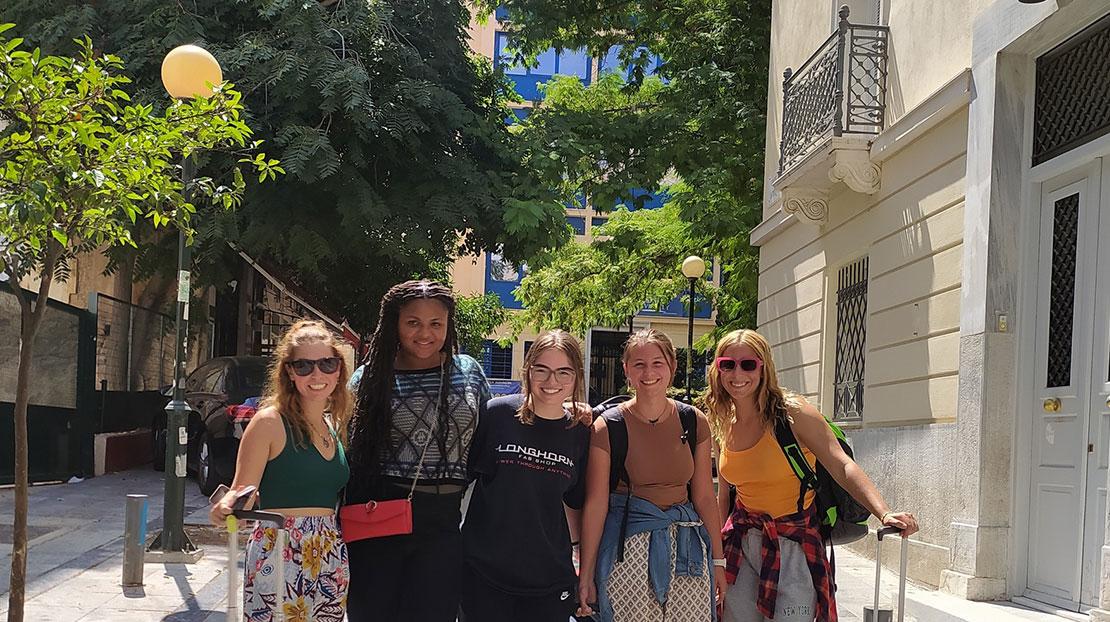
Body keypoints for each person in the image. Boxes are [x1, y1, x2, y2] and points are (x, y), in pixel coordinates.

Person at [705, 329, 920, 622]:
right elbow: (725, 495)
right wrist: (717, 556)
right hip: (741, 546)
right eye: (727, 364)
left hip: (794, 546)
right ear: (718, 369)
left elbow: (841, 464)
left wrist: (883, 513)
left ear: (763, 366)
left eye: (748, 364)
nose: (737, 373)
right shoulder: (721, 419)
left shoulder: (792, 413)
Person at [344, 280, 491, 622]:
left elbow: (497, 427)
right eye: (413, 323)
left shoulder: (468, 371)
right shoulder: (369, 379)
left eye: (435, 324)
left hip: (444, 519)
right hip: (381, 513)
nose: (424, 333)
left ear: (448, 325)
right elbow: (338, 442)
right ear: (395, 323)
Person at [578, 328, 727, 622]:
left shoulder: (693, 421)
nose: (649, 373)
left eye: (657, 363)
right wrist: (586, 573)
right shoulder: (608, 427)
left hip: (687, 549)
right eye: (639, 364)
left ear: (672, 366)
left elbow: (704, 497)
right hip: (627, 549)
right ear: (626, 370)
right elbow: (596, 504)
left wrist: (718, 561)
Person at [210, 320, 353, 621]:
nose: (317, 374)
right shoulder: (269, 422)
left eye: (327, 363)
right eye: (304, 366)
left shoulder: (333, 426)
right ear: (289, 371)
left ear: (339, 368)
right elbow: (242, 490)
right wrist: (228, 506)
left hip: (329, 551)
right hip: (280, 547)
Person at [461, 329, 591, 622]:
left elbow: (578, 502)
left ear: (576, 377)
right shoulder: (496, 415)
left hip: (548, 579)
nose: (551, 382)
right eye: (541, 370)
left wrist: (585, 573)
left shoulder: (581, 432)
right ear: (527, 369)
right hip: (484, 574)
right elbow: (461, 480)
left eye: (563, 372)